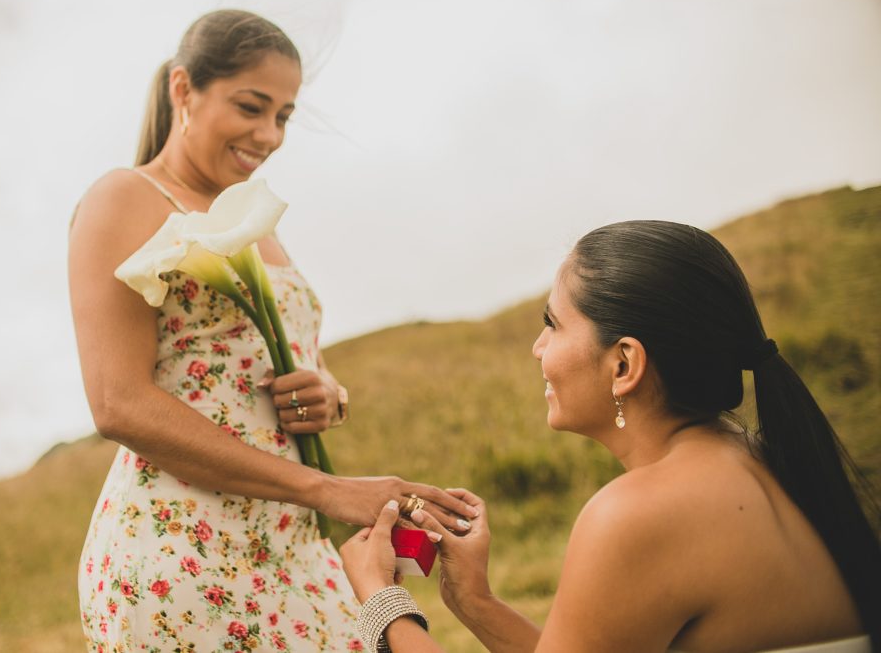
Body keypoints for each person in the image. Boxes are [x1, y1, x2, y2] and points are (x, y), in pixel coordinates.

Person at [68, 10, 476, 652]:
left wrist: (329, 394)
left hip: (295, 540)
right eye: (251, 107)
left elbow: (264, 359)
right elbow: (117, 402)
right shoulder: (124, 196)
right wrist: (329, 489)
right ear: (184, 90)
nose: (269, 134)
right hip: (185, 547)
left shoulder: (253, 215)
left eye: (282, 115)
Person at [340, 220, 880, 653]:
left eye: (552, 323)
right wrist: (475, 600)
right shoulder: (758, 458)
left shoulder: (639, 515)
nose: (536, 348)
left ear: (624, 364)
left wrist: (382, 602)